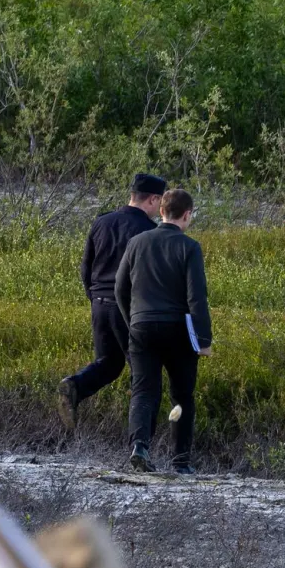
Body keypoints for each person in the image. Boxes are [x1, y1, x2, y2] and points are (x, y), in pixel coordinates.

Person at [115, 188, 212, 474]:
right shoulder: (189, 247)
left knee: (143, 391)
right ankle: (181, 461)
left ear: (160, 212)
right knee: (181, 395)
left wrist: (132, 320)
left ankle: (139, 446)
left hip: (141, 326)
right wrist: (203, 340)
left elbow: (120, 288)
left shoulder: (136, 242)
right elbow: (197, 297)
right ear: (187, 215)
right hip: (179, 331)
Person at [59, 173, 166, 422]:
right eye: (159, 202)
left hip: (99, 305)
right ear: (152, 199)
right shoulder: (149, 232)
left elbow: (86, 267)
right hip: (128, 309)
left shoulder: (102, 222)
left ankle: (74, 385)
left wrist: (94, 297)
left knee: (108, 363)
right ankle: (139, 438)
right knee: (143, 373)